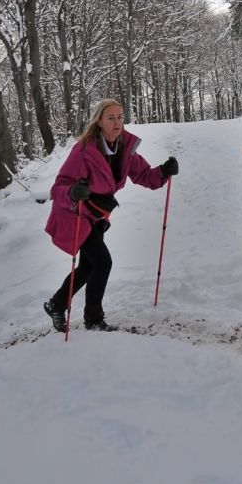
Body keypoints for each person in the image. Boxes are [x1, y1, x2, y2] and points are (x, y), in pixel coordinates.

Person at [43, 98, 178, 332]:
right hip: (74, 214)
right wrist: (73, 192)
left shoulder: (124, 148)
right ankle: (93, 319)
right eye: (111, 118)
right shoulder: (84, 151)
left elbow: (143, 174)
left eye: (120, 117)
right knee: (103, 263)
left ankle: (56, 303)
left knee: (88, 267)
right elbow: (59, 187)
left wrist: (163, 173)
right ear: (99, 122)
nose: (117, 123)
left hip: (97, 216)